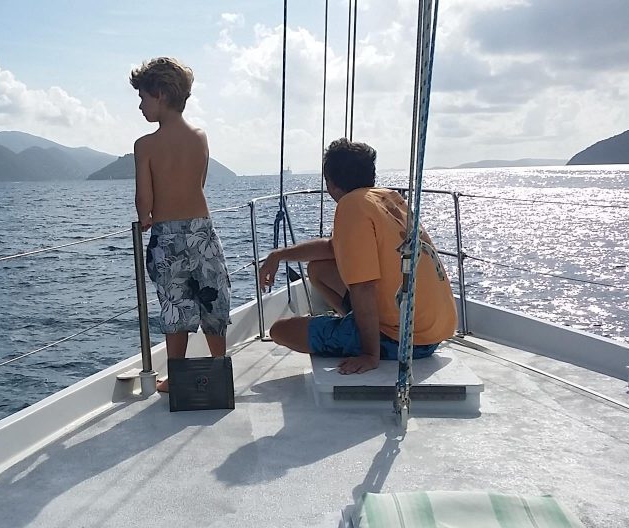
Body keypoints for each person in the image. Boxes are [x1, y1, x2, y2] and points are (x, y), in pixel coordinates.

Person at [259, 138, 456, 375]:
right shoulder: (386, 198)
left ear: (330, 183)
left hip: (406, 341)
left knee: (281, 331)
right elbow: (332, 247)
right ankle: (354, 325)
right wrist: (279, 255)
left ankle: (363, 337)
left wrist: (369, 354)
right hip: (433, 330)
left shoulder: (351, 206)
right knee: (317, 270)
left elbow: (363, 287)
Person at [130, 57, 231, 393]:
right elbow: (198, 182)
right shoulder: (200, 137)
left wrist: (146, 218)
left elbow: (144, 200)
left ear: (160, 94)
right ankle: (220, 369)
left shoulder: (145, 146)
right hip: (202, 230)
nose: (140, 106)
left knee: (174, 306)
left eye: (143, 97)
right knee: (212, 300)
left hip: (167, 235)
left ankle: (177, 377)